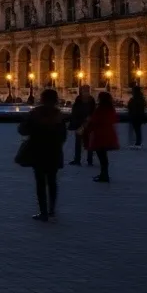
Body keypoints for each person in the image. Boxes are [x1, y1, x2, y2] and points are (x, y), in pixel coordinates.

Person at [19, 88, 67, 222]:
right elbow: (63, 135)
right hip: (54, 151)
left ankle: (43, 212)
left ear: (43, 99)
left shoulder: (35, 113)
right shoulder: (58, 115)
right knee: (52, 181)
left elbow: (22, 130)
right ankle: (52, 209)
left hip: (38, 150)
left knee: (40, 182)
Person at [84, 90, 120, 183]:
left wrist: (89, 124)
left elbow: (95, 120)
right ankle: (104, 174)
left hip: (100, 134)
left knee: (101, 156)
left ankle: (104, 175)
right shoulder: (111, 108)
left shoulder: (100, 108)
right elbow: (114, 119)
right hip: (108, 133)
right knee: (103, 156)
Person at [68, 84, 96, 166]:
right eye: (84, 90)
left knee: (87, 142)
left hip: (87, 124)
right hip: (82, 124)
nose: (85, 92)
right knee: (80, 143)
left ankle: (85, 159)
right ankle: (81, 159)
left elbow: (75, 112)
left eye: (86, 90)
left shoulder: (86, 100)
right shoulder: (85, 100)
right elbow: (75, 112)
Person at [127, 85, 147, 149]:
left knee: (136, 130)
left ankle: (137, 142)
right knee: (137, 130)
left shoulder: (136, 99)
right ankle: (137, 142)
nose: (132, 91)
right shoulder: (140, 98)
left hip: (136, 116)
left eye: (133, 90)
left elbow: (133, 107)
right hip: (136, 116)